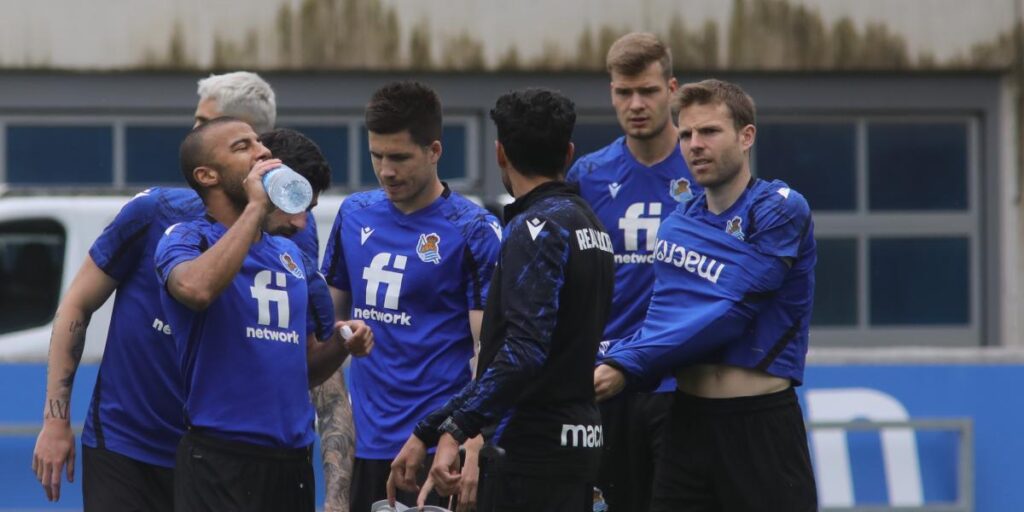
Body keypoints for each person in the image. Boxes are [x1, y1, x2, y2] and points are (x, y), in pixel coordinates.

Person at [30, 71, 324, 510]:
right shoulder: (155, 212)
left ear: (260, 143)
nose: (194, 134)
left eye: (209, 124)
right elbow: (77, 302)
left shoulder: (291, 228)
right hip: (129, 445)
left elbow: (303, 350)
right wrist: (55, 420)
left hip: (227, 455)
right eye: (195, 121)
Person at [594, 79, 818, 511]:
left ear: (746, 135)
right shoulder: (679, 223)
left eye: (710, 132)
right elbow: (664, 319)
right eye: (685, 134)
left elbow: (728, 310)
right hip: (687, 424)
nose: (695, 145)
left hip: (760, 428)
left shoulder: (779, 208)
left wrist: (625, 364)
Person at [388, 88, 615, 512]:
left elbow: (522, 353)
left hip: (531, 457)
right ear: (568, 152)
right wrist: (427, 429)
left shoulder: (537, 227)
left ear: (500, 154)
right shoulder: (592, 225)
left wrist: (456, 430)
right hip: (577, 444)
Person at [156, 117, 371, 511]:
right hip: (220, 459)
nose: (262, 152)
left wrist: (343, 342)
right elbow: (196, 290)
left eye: (260, 144)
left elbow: (305, 368)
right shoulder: (188, 238)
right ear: (207, 175)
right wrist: (257, 207)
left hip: (290, 461)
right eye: (242, 147)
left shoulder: (289, 255)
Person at [320, 80, 501, 512]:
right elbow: (326, 331)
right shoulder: (353, 214)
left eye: (399, 157)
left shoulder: (473, 228)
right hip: (366, 445)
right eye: (376, 156)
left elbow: (489, 350)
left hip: (438, 447)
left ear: (434, 151)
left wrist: (471, 442)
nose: (386, 171)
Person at [565, 32, 700, 512]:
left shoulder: (702, 168)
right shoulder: (587, 175)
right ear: (611, 94)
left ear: (673, 90)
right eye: (624, 92)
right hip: (606, 381)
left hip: (682, 384)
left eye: (648, 90)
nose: (636, 104)